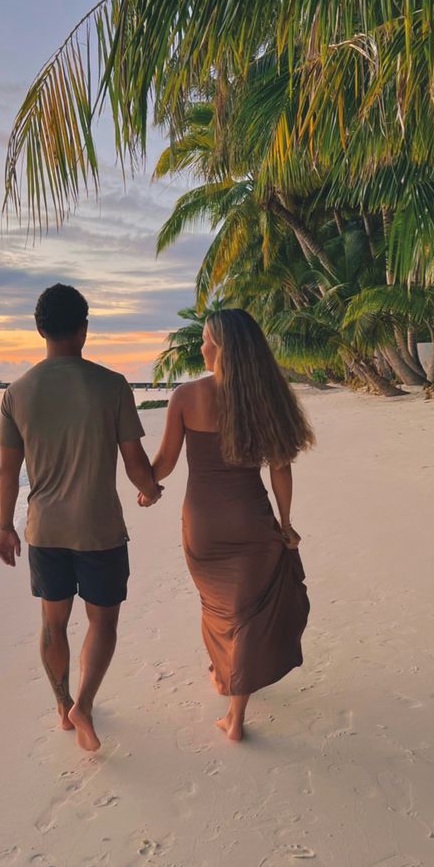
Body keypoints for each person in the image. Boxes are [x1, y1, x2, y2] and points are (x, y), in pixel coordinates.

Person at [0, 284, 162, 752]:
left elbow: (8, 471)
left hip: (44, 529)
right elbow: (134, 463)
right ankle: (84, 702)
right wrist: (151, 491)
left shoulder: (17, 392)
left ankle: (61, 704)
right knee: (102, 623)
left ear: (39, 330)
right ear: (84, 329)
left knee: (53, 624)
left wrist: (4, 526)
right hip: (99, 528)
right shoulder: (111, 386)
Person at [141, 308, 314, 741]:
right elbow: (280, 469)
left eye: (205, 340)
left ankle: (226, 682)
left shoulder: (185, 397)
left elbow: (162, 464)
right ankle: (234, 710)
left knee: (217, 608)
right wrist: (286, 523)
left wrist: (145, 484)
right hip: (251, 520)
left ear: (222, 347)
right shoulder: (265, 397)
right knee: (249, 613)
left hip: (202, 526)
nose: (200, 347)